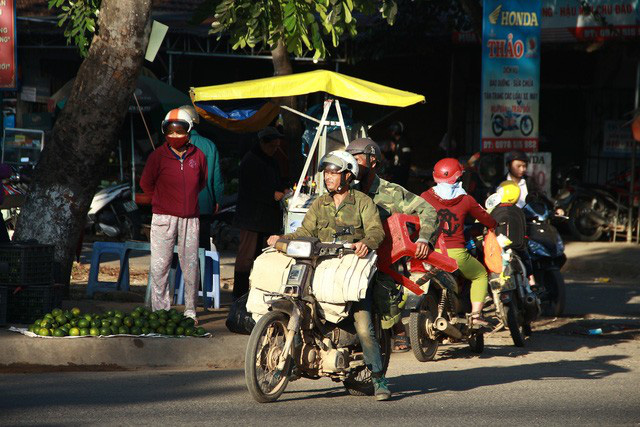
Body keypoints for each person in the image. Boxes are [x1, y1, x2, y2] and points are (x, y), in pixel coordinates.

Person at [266, 150, 391, 401]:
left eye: (334, 172)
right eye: (326, 172)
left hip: (352, 273)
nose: (328, 177)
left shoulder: (363, 203)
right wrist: (281, 238)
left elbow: (377, 232)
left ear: (348, 175)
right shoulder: (319, 204)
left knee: (364, 327)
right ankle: (291, 362)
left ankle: (378, 378)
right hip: (319, 269)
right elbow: (303, 231)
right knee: (298, 306)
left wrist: (365, 242)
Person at [346, 138, 439, 352]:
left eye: (357, 159)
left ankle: (397, 328)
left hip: (382, 258)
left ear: (373, 162)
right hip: (348, 255)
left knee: (382, 292)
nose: (351, 164)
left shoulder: (392, 192)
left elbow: (428, 210)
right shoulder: (344, 189)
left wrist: (424, 238)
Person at [140, 108, 207, 322]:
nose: (175, 136)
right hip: (163, 218)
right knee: (160, 265)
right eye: (171, 132)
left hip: (190, 219)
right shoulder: (157, 156)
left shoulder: (199, 155)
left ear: (189, 131)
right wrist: (163, 200)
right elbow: (145, 184)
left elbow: (202, 182)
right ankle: (161, 312)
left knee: (190, 266)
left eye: (180, 132)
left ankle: (190, 310)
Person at [420, 158, 497, 327]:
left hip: (430, 253)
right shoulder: (466, 199)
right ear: (456, 178)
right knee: (480, 275)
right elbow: (486, 218)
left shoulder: (425, 196)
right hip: (456, 255)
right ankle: (476, 315)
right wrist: (494, 225)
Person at [233, 126, 287, 301]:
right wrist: (272, 194)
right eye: (272, 146)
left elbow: (276, 182)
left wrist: (281, 189)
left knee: (262, 259)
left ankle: (257, 295)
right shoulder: (251, 160)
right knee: (246, 259)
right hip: (251, 218)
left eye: (276, 146)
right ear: (263, 143)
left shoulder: (271, 160)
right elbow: (250, 189)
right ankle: (239, 297)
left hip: (266, 219)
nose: (274, 149)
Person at [178, 105, 224, 250]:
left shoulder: (173, 146)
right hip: (204, 206)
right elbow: (216, 178)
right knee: (202, 247)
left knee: (182, 248)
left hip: (179, 207)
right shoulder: (209, 145)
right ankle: (202, 272)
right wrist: (218, 199)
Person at [490, 180, 535, 287]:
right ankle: (531, 280)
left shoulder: (494, 210)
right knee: (527, 257)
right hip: (518, 247)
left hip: (497, 248)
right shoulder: (519, 211)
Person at [386, 121, 412, 187]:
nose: (391, 133)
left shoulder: (403, 142)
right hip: (396, 171)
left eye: (392, 131)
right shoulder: (396, 142)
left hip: (401, 171)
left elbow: (406, 157)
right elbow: (394, 157)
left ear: (396, 131)